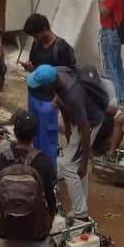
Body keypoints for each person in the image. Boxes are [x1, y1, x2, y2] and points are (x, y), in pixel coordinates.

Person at [27, 65, 114, 222]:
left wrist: (85, 161)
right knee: (73, 165)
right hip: (80, 120)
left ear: (49, 85)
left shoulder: (72, 96)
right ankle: (81, 206)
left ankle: (81, 214)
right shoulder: (58, 73)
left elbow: (86, 129)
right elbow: (62, 105)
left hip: (90, 124)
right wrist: (67, 128)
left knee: (68, 167)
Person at [0, 110, 57, 247]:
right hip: (36, 231)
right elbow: (52, 201)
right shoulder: (44, 162)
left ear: (15, 131)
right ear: (35, 132)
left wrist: (2, 218)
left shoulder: (2, 159)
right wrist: (46, 224)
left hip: (9, 230)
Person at [23, 14, 76, 161]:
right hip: (34, 95)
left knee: (47, 140)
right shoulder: (36, 44)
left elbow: (70, 77)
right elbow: (36, 68)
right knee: (34, 135)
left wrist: (58, 99)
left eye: (36, 34)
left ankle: (48, 175)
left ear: (45, 29)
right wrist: (30, 67)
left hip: (49, 101)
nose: (35, 38)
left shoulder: (62, 48)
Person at [95, 0, 124, 104]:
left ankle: (115, 101)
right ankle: (122, 97)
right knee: (117, 65)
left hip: (110, 33)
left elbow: (104, 12)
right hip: (117, 33)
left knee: (110, 68)